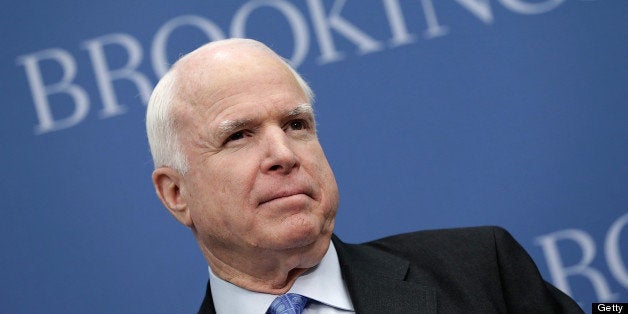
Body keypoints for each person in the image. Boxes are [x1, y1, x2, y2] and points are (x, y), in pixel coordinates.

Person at [146, 38, 583, 313]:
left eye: (296, 125)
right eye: (239, 135)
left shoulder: (481, 271)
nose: (283, 154)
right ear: (176, 193)